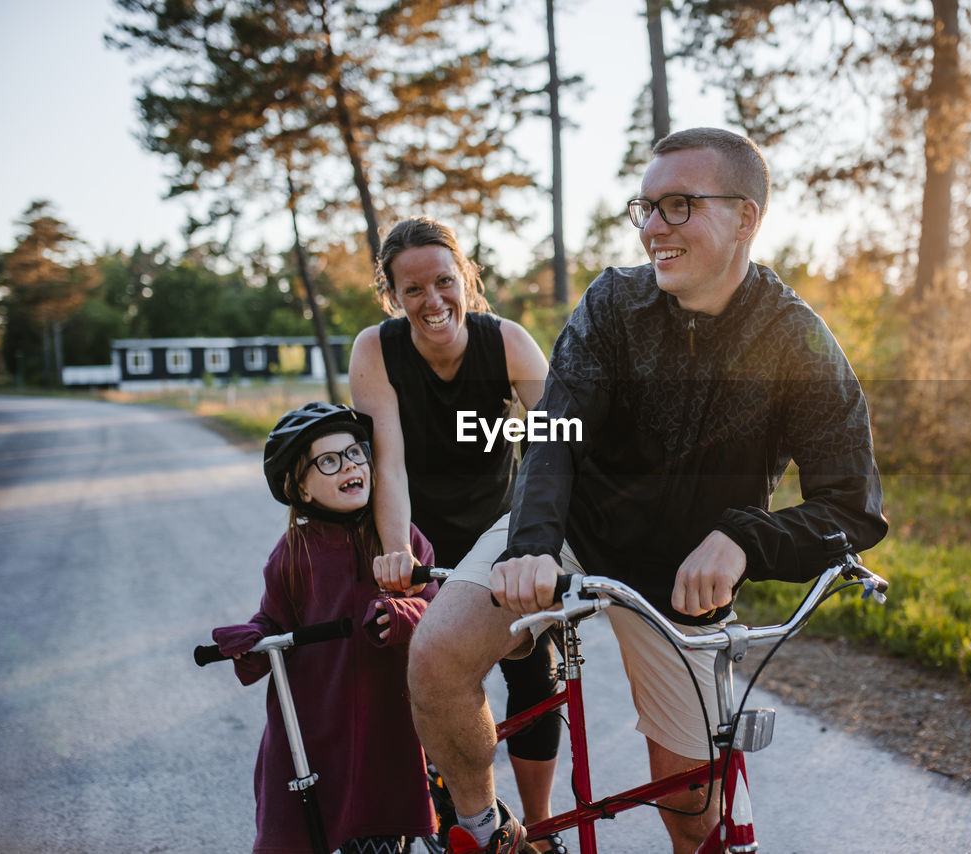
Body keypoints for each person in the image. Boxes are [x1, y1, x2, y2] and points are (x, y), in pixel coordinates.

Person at [407, 127, 889, 854]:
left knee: (694, 808)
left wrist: (743, 538)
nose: (653, 229)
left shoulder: (800, 344)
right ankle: (481, 829)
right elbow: (554, 432)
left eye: (677, 206)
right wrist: (533, 545)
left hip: (686, 572)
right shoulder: (612, 305)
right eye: (645, 208)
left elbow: (852, 508)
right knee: (437, 654)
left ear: (744, 219)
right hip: (570, 529)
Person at [348, 218, 563, 854]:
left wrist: (546, 537)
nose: (432, 300)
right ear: (392, 296)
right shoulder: (375, 350)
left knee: (534, 674)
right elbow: (388, 461)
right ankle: (454, 816)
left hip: (501, 529)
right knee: (430, 674)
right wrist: (397, 552)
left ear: (465, 278)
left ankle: (539, 831)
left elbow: (561, 443)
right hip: (417, 536)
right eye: (412, 289)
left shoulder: (509, 344)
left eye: (444, 281)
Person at [212, 402, 438, 854]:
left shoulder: (400, 540)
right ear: (302, 488)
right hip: (316, 724)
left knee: (381, 818)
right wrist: (252, 642)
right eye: (330, 461)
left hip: (384, 719)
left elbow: (434, 610)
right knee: (300, 825)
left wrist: (401, 616)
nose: (351, 466)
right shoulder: (292, 554)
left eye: (356, 454)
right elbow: (274, 621)